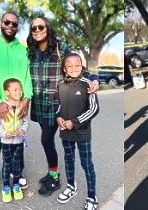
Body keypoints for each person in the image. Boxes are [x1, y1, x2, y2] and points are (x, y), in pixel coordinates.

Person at [26, 16, 99, 196]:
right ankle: (52, 172)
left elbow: (78, 66)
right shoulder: (31, 51)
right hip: (39, 104)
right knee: (48, 140)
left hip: (56, 103)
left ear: (48, 28)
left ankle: (55, 177)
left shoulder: (60, 48)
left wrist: (95, 78)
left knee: (45, 139)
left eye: (40, 26)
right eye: (33, 28)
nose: (37, 30)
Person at [0, 12, 33, 201]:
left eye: (14, 23)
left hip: (18, 105)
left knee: (16, 140)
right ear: (0, 23)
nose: (10, 25)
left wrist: (27, 98)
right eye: (6, 22)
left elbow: (27, 75)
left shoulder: (22, 50)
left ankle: (16, 174)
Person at [55, 54, 100, 209]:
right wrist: (58, 117)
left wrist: (74, 123)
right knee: (68, 159)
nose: (74, 68)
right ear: (64, 68)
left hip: (82, 133)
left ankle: (92, 196)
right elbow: (59, 105)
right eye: (70, 65)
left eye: (77, 65)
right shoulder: (60, 84)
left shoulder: (88, 84)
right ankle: (71, 187)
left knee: (86, 163)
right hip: (65, 132)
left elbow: (94, 109)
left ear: (82, 67)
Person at [0, 78, 29, 203]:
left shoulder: (21, 105)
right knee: (7, 164)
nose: (19, 92)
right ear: (7, 92)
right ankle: (6, 187)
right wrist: (3, 133)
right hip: (6, 142)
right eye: (15, 90)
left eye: (20, 89)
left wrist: (22, 130)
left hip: (18, 141)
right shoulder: (1, 107)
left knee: (17, 164)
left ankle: (16, 185)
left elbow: (25, 121)